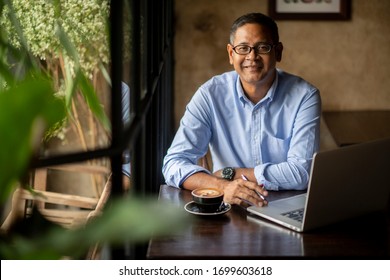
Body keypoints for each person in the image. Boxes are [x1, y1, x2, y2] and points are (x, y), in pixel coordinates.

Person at [162, 12, 321, 207]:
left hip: (286, 206)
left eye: (262, 47)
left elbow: (301, 173)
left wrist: (233, 173)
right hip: (228, 207)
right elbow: (173, 163)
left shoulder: (304, 96)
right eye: (243, 48)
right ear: (231, 54)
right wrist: (222, 186)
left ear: (278, 52)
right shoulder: (210, 95)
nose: (252, 56)